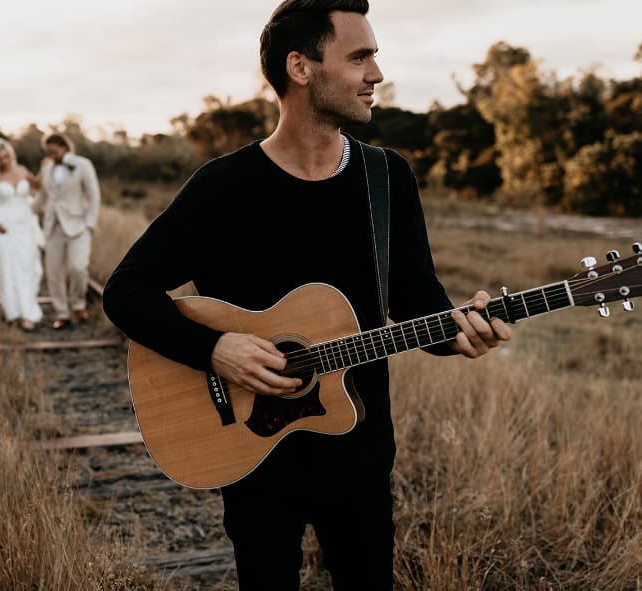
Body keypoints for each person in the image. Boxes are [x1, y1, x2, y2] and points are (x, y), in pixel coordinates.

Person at [102, 1, 513, 589]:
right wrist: (214, 348)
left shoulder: (387, 178)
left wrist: (462, 334)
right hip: (251, 449)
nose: (376, 74)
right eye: (360, 57)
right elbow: (125, 291)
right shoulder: (224, 188)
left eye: (375, 57)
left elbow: (419, 302)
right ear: (301, 67)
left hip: (360, 447)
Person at [34, 132, 102, 330]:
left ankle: (78, 304)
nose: (51, 156)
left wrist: (89, 223)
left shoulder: (83, 165)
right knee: (53, 272)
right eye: (48, 153)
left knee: (78, 267)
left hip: (78, 225)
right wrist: (24, 213)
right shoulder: (46, 167)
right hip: (52, 226)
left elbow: (94, 196)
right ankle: (62, 312)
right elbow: (42, 196)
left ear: (64, 147)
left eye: (54, 151)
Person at [0, 137, 44, 331]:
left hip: (25, 223)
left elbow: (38, 186)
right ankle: (15, 312)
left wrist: (45, 166)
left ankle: (28, 309)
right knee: (8, 269)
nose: (5, 161)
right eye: (0, 158)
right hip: (4, 226)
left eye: (7, 156)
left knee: (29, 267)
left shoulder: (22, 170)